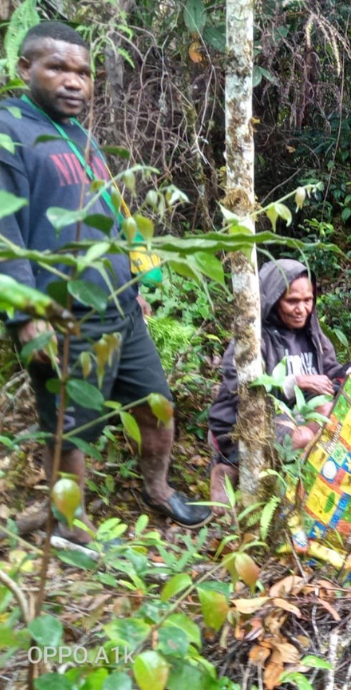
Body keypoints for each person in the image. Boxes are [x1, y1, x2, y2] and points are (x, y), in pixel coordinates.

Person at [0, 22, 211, 542]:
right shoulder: (11, 133)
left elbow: (110, 212)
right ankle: (69, 525)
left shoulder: (80, 136)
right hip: (61, 314)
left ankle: (156, 490)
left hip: (118, 304)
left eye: (83, 72)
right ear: (25, 69)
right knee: (70, 425)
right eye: (57, 68)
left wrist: (134, 283)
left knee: (157, 404)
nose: (73, 81)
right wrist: (26, 320)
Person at [208, 259, 351, 506]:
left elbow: (330, 372)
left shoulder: (312, 334)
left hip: (295, 415)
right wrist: (294, 382)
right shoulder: (253, 339)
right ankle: (230, 465)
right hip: (246, 420)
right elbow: (240, 386)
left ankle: (306, 485)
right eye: (292, 301)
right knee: (300, 437)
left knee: (331, 415)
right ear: (274, 299)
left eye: (308, 300)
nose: (302, 309)